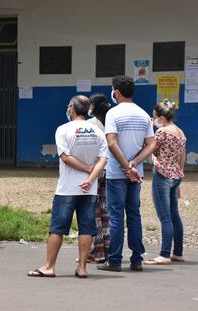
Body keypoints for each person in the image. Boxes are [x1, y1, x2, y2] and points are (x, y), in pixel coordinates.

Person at [28, 95, 107, 278]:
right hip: (90, 189)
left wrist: (87, 169)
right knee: (87, 228)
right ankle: (82, 268)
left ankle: (49, 266)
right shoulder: (98, 132)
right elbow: (103, 160)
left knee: (57, 227)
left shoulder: (63, 130)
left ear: (71, 108)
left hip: (67, 189)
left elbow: (65, 157)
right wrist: (91, 177)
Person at [97, 75, 156, 272]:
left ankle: (114, 260)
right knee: (134, 215)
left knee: (115, 217)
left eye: (113, 89)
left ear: (117, 92)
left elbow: (112, 143)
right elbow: (151, 144)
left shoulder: (113, 114)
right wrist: (134, 164)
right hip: (135, 174)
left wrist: (125, 166)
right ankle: (137, 259)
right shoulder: (143, 114)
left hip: (117, 173)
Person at [145, 99, 186, 265]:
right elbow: (182, 156)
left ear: (161, 117)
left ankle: (164, 254)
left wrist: (147, 129)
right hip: (176, 176)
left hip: (162, 174)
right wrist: (180, 176)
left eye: (154, 117)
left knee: (165, 217)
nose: (153, 120)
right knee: (175, 216)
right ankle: (178, 252)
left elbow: (150, 148)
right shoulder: (180, 132)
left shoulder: (161, 132)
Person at [86, 93, 111, 263]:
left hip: (95, 171)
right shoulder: (112, 123)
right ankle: (108, 250)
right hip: (110, 172)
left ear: (94, 106)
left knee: (93, 213)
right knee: (106, 212)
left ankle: (96, 251)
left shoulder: (90, 125)